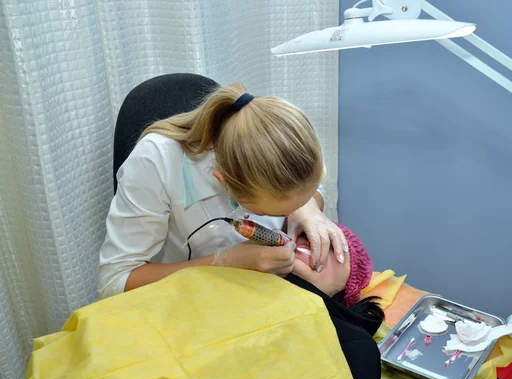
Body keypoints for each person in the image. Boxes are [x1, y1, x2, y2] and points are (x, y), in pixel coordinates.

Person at [97, 84, 348, 299]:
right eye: (265, 210)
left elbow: (306, 187)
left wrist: (309, 209)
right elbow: (114, 283)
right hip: (184, 306)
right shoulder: (156, 162)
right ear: (224, 182)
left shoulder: (274, 134)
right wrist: (222, 262)